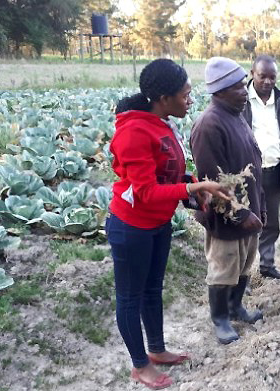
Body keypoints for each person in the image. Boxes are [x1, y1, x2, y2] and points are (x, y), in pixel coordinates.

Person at [108, 58, 230, 390]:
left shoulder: (161, 122)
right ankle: (139, 365)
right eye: (185, 95)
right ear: (164, 98)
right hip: (131, 226)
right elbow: (145, 191)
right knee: (130, 297)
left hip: (157, 223)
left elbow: (169, 172)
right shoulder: (134, 131)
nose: (190, 100)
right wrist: (193, 188)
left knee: (152, 289)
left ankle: (157, 349)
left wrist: (192, 186)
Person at [190, 57, 265, 345]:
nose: (245, 91)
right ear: (219, 91)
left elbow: (253, 162)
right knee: (224, 266)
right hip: (227, 215)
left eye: (243, 85)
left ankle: (236, 307)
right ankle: (220, 318)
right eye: (237, 87)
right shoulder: (208, 125)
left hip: (250, 208)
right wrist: (240, 213)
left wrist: (259, 208)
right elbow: (213, 180)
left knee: (244, 262)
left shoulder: (237, 115)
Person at [242, 54, 280, 280]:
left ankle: (267, 265)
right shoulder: (241, 100)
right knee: (246, 224)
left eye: (272, 77)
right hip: (248, 174)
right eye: (262, 76)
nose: (267, 81)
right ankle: (240, 276)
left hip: (275, 171)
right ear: (252, 73)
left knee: (271, 222)